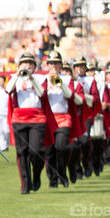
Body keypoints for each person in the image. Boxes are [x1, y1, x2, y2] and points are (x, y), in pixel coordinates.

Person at [6, 52, 54, 194]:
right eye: (24, 63)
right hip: (19, 117)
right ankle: (25, 184)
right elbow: (8, 90)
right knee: (22, 152)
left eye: (30, 63)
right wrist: (17, 75)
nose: (27, 65)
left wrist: (31, 78)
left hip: (37, 117)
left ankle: (37, 174)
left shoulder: (41, 78)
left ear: (34, 65)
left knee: (37, 150)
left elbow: (41, 93)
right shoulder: (14, 78)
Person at [42, 51, 82, 188]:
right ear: (47, 65)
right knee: (49, 151)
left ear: (60, 65)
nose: (54, 66)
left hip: (63, 117)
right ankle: (53, 179)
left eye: (56, 63)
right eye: (51, 63)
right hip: (48, 118)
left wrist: (58, 82)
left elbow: (70, 95)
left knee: (62, 147)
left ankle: (62, 173)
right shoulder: (41, 79)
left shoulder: (66, 79)